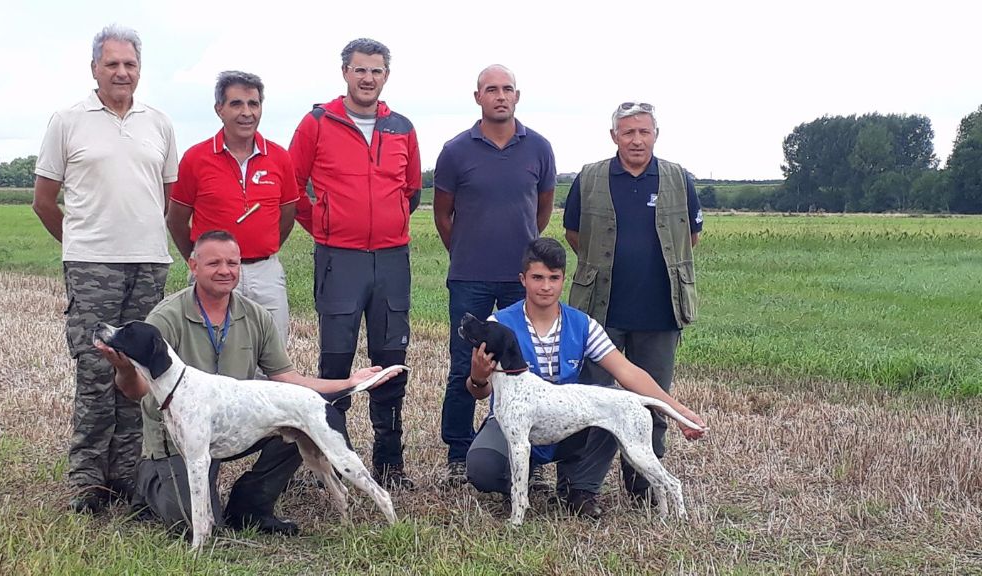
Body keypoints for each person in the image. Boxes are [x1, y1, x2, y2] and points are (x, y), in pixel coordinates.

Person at [95, 230, 397, 535]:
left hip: (236, 428)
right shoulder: (165, 318)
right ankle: (152, 487)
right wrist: (124, 369)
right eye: (214, 263)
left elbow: (288, 380)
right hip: (173, 439)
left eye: (232, 263)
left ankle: (249, 507)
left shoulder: (255, 315)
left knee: (300, 421)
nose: (225, 271)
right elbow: (137, 391)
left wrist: (350, 381)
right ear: (193, 265)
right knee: (187, 522)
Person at [32, 24, 178, 514]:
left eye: (130, 64)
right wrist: (81, 244)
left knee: (140, 371)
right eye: (112, 63)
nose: (121, 72)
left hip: (149, 263)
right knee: (96, 371)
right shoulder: (68, 120)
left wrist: (138, 235)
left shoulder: (158, 122)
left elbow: (168, 198)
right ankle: (88, 483)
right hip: (92, 265)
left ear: (140, 70)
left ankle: (130, 476)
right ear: (94, 67)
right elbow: (44, 201)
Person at [463, 238, 706, 518]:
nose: (545, 286)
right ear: (523, 279)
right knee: (483, 467)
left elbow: (627, 372)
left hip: (569, 424)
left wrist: (680, 411)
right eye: (537, 277)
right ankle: (520, 485)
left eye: (553, 278)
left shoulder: (583, 325)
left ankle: (580, 489)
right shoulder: (499, 325)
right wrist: (479, 378)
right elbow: (478, 392)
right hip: (516, 422)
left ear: (563, 280)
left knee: (613, 405)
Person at [288, 38, 421, 490]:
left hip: (391, 259)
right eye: (360, 70)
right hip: (339, 259)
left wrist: (391, 222)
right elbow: (293, 187)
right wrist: (323, 227)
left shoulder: (401, 126)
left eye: (376, 71)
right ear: (344, 72)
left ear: (386, 76)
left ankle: (390, 460)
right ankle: (335, 459)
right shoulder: (317, 123)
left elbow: (411, 191)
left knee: (390, 360)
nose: (368, 78)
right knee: (336, 362)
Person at [564, 101, 704, 504]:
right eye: (628, 132)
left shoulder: (679, 178)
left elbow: (689, 240)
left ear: (655, 135)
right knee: (591, 400)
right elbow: (574, 234)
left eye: (643, 131)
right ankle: (582, 488)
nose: (636, 140)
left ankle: (644, 485)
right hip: (601, 311)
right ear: (614, 137)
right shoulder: (589, 178)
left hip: (660, 312)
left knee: (654, 401)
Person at [433, 65, 556, 485]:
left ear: (517, 97)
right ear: (477, 97)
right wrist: (468, 251)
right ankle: (458, 451)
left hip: (519, 279)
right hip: (469, 277)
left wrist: (522, 257)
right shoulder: (455, 151)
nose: (500, 96)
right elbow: (443, 214)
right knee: (465, 364)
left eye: (507, 90)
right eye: (491, 90)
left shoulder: (538, 148)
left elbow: (540, 210)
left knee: (524, 365)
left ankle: (531, 457)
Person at [167, 71, 299, 343]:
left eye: (254, 104)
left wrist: (261, 247)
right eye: (236, 104)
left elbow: (286, 217)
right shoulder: (196, 158)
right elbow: (177, 220)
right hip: (214, 274)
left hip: (265, 273)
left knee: (271, 359)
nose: (246, 113)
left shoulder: (279, 158)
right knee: (212, 354)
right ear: (219, 110)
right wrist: (201, 261)